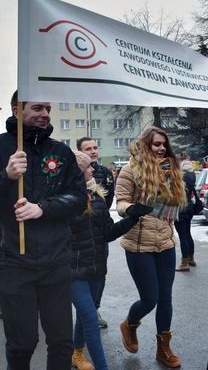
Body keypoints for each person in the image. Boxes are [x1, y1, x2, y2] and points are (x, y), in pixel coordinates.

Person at [0, 91, 87, 370]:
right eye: (37, 107)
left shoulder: (61, 152)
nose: (45, 113)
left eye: (48, 107)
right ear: (17, 110)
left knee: (61, 342)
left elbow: (78, 199)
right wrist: (4, 177)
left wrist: (43, 208)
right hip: (12, 261)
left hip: (55, 260)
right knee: (23, 343)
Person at [69, 151, 152, 370]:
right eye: (88, 167)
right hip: (73, 270)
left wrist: (133, 216)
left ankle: (77, 353)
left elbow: (107, 232)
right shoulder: (64, 198)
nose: (93, 170)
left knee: (88, 313)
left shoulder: (96, 195)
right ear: (77, 172)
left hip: (97, 267)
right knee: (90, 318)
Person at [115, 126, 186, 368]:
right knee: (150, 299)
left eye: (164, 144)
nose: (161, 148)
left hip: (165, 241)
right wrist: (130, 209)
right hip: (138, 243)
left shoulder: (171, 171)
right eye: (156, 144)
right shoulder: (130, 169)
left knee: (165, 297)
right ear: (146, 145)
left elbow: (174, 204)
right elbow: (121, 201)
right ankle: (130, 324)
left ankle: (163, 349)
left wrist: (188, 207)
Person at [76, 136, 115, 329]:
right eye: (87, 149)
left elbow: (107, 202)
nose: (92, 151)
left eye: (95, 147)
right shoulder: (75, 173)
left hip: (100, 232)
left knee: (100, 272)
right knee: (82, 275)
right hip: (81, 234)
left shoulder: (105, 172)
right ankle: (86, 312)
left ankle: (95, 308)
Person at [174, 151, 197, 272]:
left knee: (182, 235)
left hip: (180, 207)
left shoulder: (180, 174)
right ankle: (191, 258)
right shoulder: (191, 173)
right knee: (188, 233)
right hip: (189, 207)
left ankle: (184, 263)